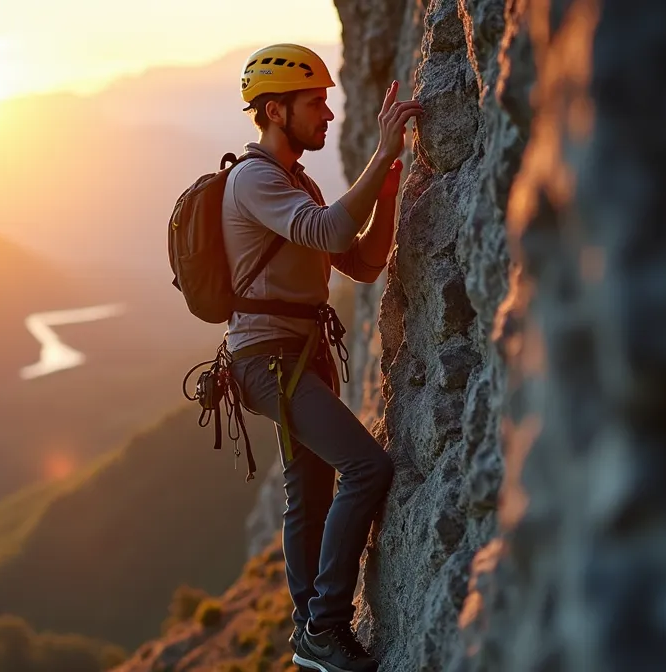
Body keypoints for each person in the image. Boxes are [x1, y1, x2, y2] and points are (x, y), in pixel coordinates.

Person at [223, 43, 420, 672]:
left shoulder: (295, 182)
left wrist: (385, 192)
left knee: (309, 489)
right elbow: (334, 232)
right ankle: (324, 625)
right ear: (275, 111)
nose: (329, 114)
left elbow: (360, 263)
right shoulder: (253, 180)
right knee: (366, 467)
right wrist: (382, 152)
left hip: (297, 357)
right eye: (316, 103)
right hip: (266, 359)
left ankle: (313, 633)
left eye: (329, 101)